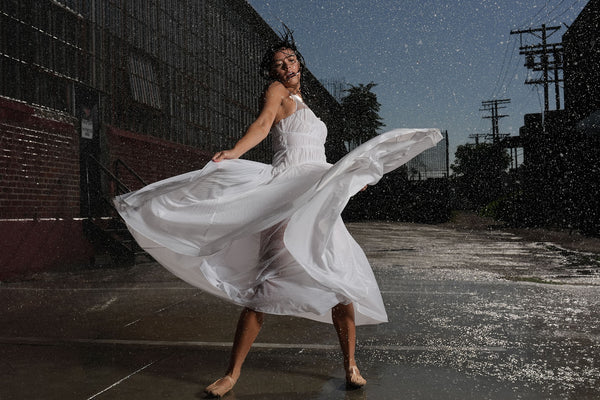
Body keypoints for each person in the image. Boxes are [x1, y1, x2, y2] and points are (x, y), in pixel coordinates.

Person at [114, 28, 441, 398]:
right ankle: (231, 374)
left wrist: (346, 178)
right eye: (278, 64)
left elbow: (314, 159)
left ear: (299, 61)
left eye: (290, 59)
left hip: (316, 197)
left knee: (340, 282)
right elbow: (264, 124)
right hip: (287, 195)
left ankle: (351, 366)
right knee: (263, 287)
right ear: (272, 73)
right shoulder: (277, 93)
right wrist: (237, 151)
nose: (286, 66)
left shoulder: (308, 105)